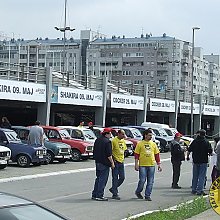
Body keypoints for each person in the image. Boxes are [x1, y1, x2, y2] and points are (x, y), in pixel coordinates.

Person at [134, 129, 162, 201]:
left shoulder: (153, 144)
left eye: (151, 135)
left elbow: (157, 155)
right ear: (145, 135)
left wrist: (159, 164)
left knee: (150, 181)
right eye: (149, 135)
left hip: (151, 164)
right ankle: (138, 191)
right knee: (142, 180)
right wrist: (136, 164)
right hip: (142, 165)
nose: (150, 137)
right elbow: (136, 155)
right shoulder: (140, 143)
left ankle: (147, 195)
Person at [187, 129, 212, 196]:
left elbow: (189, 150)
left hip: (195, 160)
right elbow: (210, 151)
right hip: (203, 160)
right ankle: (200, 190)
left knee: (195, 175)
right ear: (205, 134)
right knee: (202, 176)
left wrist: (187, 156)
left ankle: (193, 189)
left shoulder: (194, 141)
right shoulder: (206, 142)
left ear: (199, 134)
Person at [92, 128, 115, 201]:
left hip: (97, 161)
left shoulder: (97, 140)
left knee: (98, 178)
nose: (110, 135)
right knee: (103, 179)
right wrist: (112, 163)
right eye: (110, 133)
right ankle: (99, 195)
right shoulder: (107, 142)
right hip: (104, 163)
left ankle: (94, 194)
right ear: (107, 134)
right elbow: (109, 154)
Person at [109, 129, 127, 200]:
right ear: (118, 134)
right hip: (116, 161)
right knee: (115, 178)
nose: (123, 135)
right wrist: (113, 161)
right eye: (122, 134)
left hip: (121, 161)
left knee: (122, 177)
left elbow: (124, 149)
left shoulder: (123, 141)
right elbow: (110, 151)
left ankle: (113, 188)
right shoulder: (113, 141)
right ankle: (115, 194)